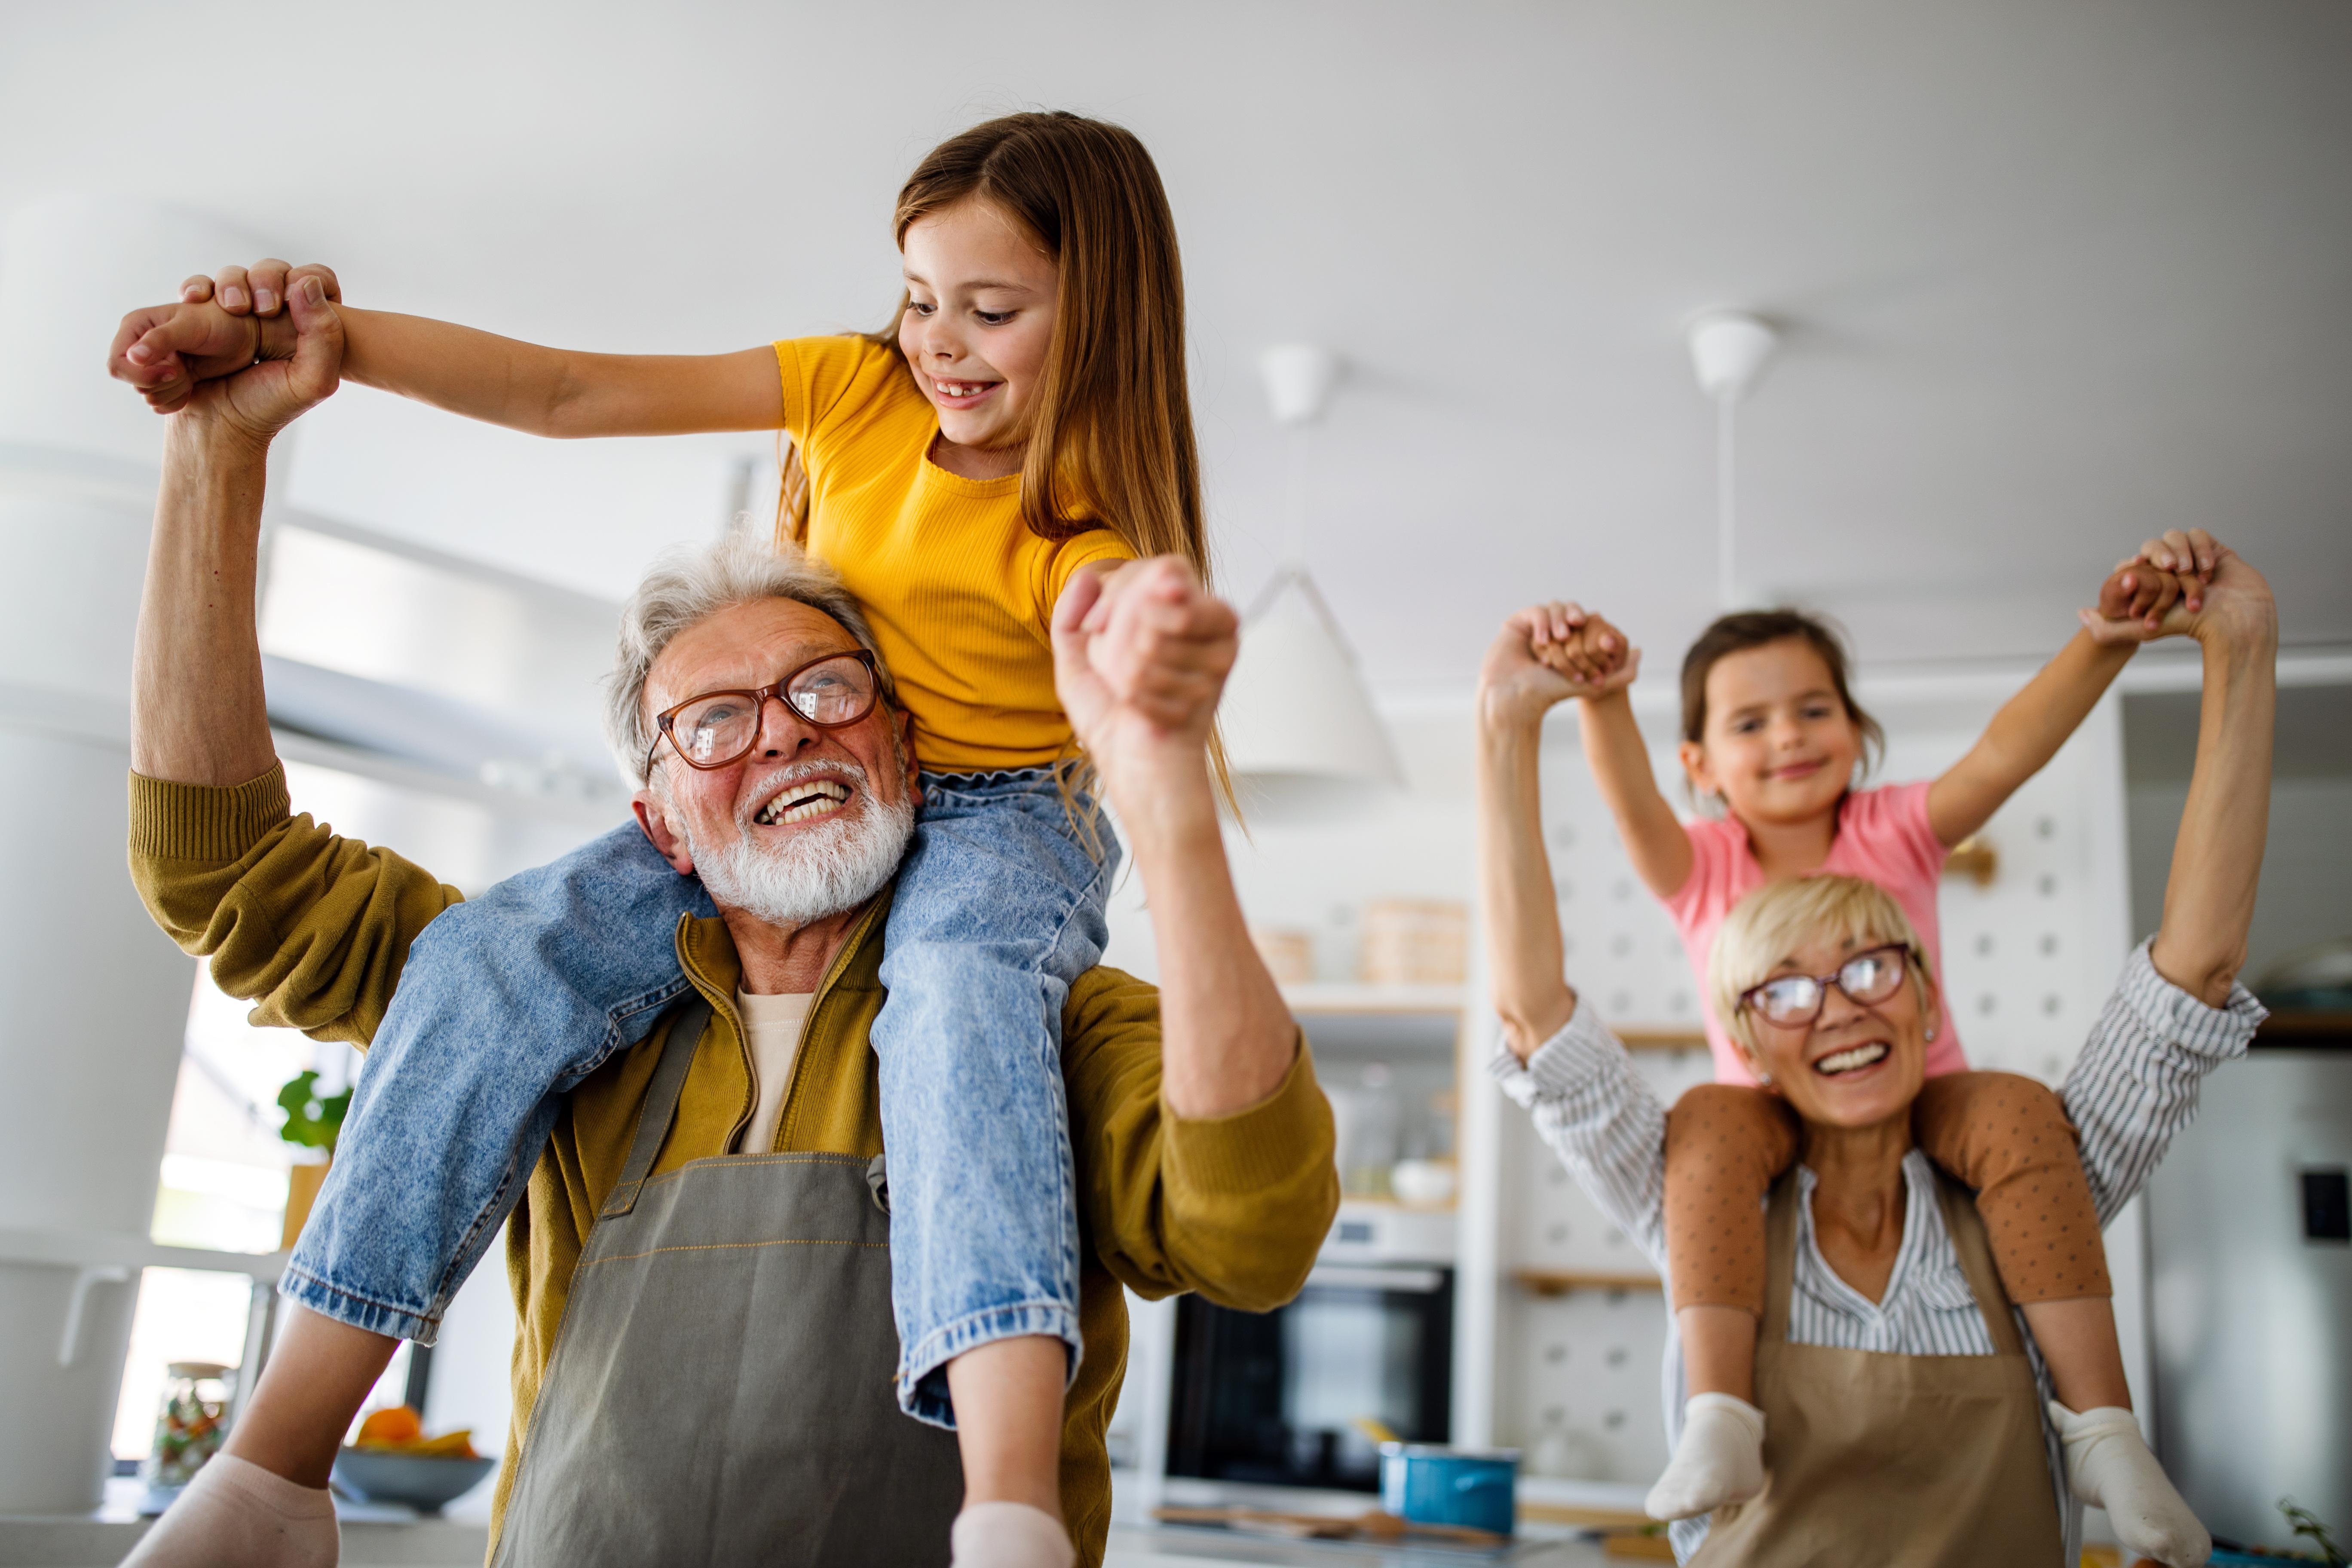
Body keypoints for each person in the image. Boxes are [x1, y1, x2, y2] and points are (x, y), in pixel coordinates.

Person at [110, 111, 1214, 1567]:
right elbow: (569, 391)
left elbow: (1244, 1217)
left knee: (959, 1010)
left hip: (1013, 815)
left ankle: (1004, 1508)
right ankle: (271, 1470)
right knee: (494, 952)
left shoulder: (1089, 547)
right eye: (918, 294)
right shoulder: (855, 391)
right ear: (653, 804)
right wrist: (322, 351)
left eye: (991, 309)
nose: (938, 342)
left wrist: (1161, 729)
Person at [1475, 539, 2275, 1565]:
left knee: (2016, 1107)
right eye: (1786, 987)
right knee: (1712, 1124)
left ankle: (2106, 1431)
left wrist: (2137, 646)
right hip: (1743, 1124)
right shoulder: (1697, 1185)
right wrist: (1567, 708)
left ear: (1927, 990)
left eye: (1873, 968)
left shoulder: (2026, 1196)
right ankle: (1721, 1417)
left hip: (1954, 1111)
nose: (1841, 1012)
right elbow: (1541, 1009)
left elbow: (2020, 770)